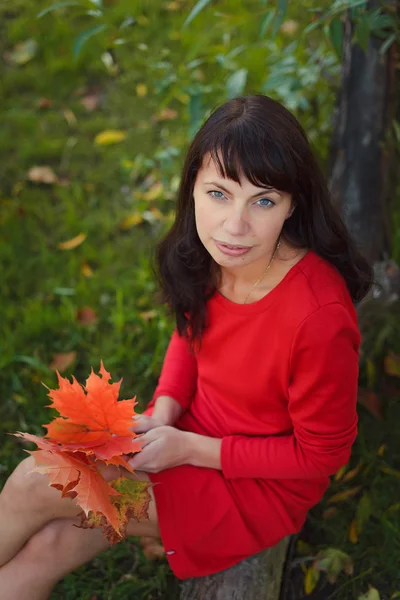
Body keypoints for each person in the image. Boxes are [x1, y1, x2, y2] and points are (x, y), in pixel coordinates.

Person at [0, 94, 373, 598]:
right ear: (192, 188)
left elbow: (321, 457)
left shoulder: (318, 319)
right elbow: (189, 335)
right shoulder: (215, 253)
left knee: (34, 482)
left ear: (292, 204)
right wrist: (165, 412)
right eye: (218, 193)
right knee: (48, 546)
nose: (235, 225)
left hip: (252, 488)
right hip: (189, 435)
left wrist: (190, 448)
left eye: (262, 201)